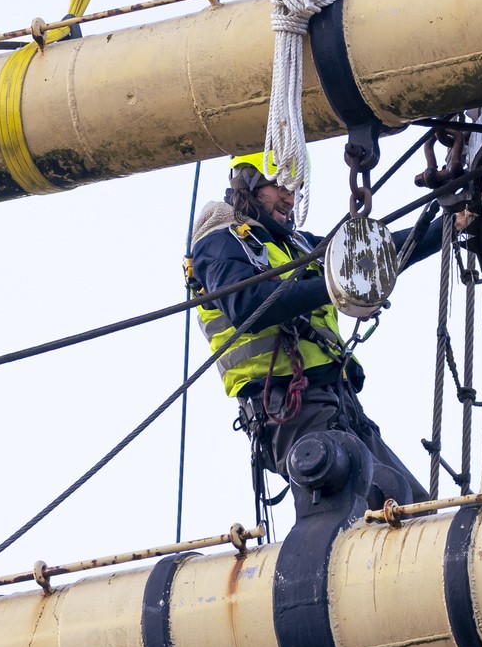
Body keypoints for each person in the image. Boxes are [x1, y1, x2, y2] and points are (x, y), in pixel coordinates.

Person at [188, 152, 446, 512]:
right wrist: (338, 285)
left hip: (339, 404)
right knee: (354, 504)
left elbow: (372, 257)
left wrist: (449, 223)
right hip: (290, 410)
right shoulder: (220, 241)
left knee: (414, 509)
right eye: (280, 186)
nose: (290, 199)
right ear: (247, 182)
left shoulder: (296, 245)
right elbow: (247, 305)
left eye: (295, 189)